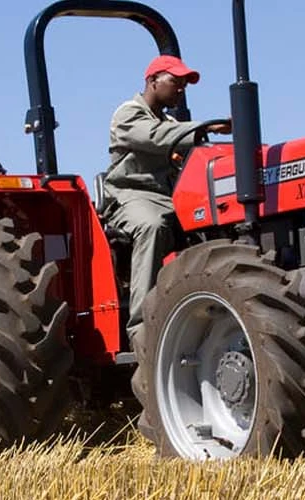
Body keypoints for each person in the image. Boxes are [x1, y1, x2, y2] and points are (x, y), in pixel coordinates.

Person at [101, 54, 231, 338]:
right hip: (131, 196)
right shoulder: (128, 114)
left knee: (210, 224)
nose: (181, 88)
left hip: (167, 197)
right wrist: (205, 127)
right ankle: (142, 327)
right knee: (152, 226)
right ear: (152, 81)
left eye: (185, 84)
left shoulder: (169, 121)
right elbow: (156, 136)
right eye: (176, 81)